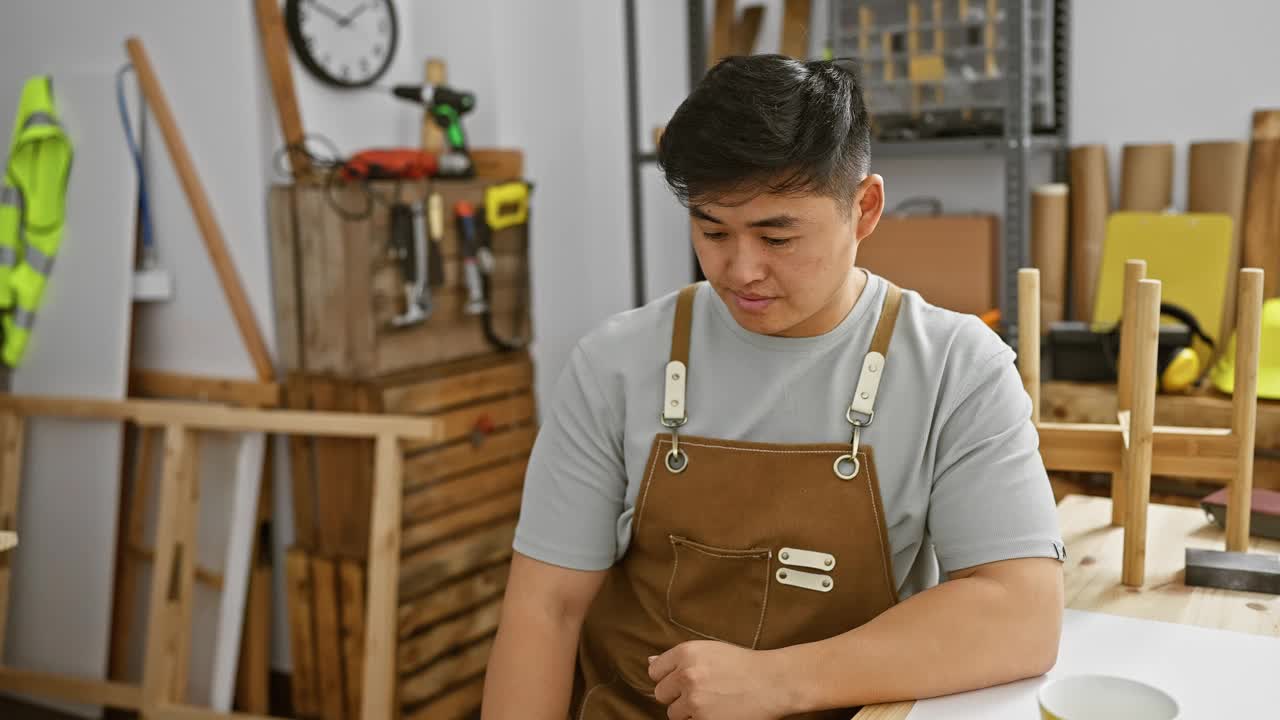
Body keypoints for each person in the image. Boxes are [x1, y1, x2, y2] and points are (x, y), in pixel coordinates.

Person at [481, 54, 1065, 720]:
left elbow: (1021, 612)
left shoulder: (957, 368)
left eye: (777, 235)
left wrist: (779, 682)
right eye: (712, 231)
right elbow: (544, 609)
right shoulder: (614, 364)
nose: (741, 269)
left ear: (865, 208)